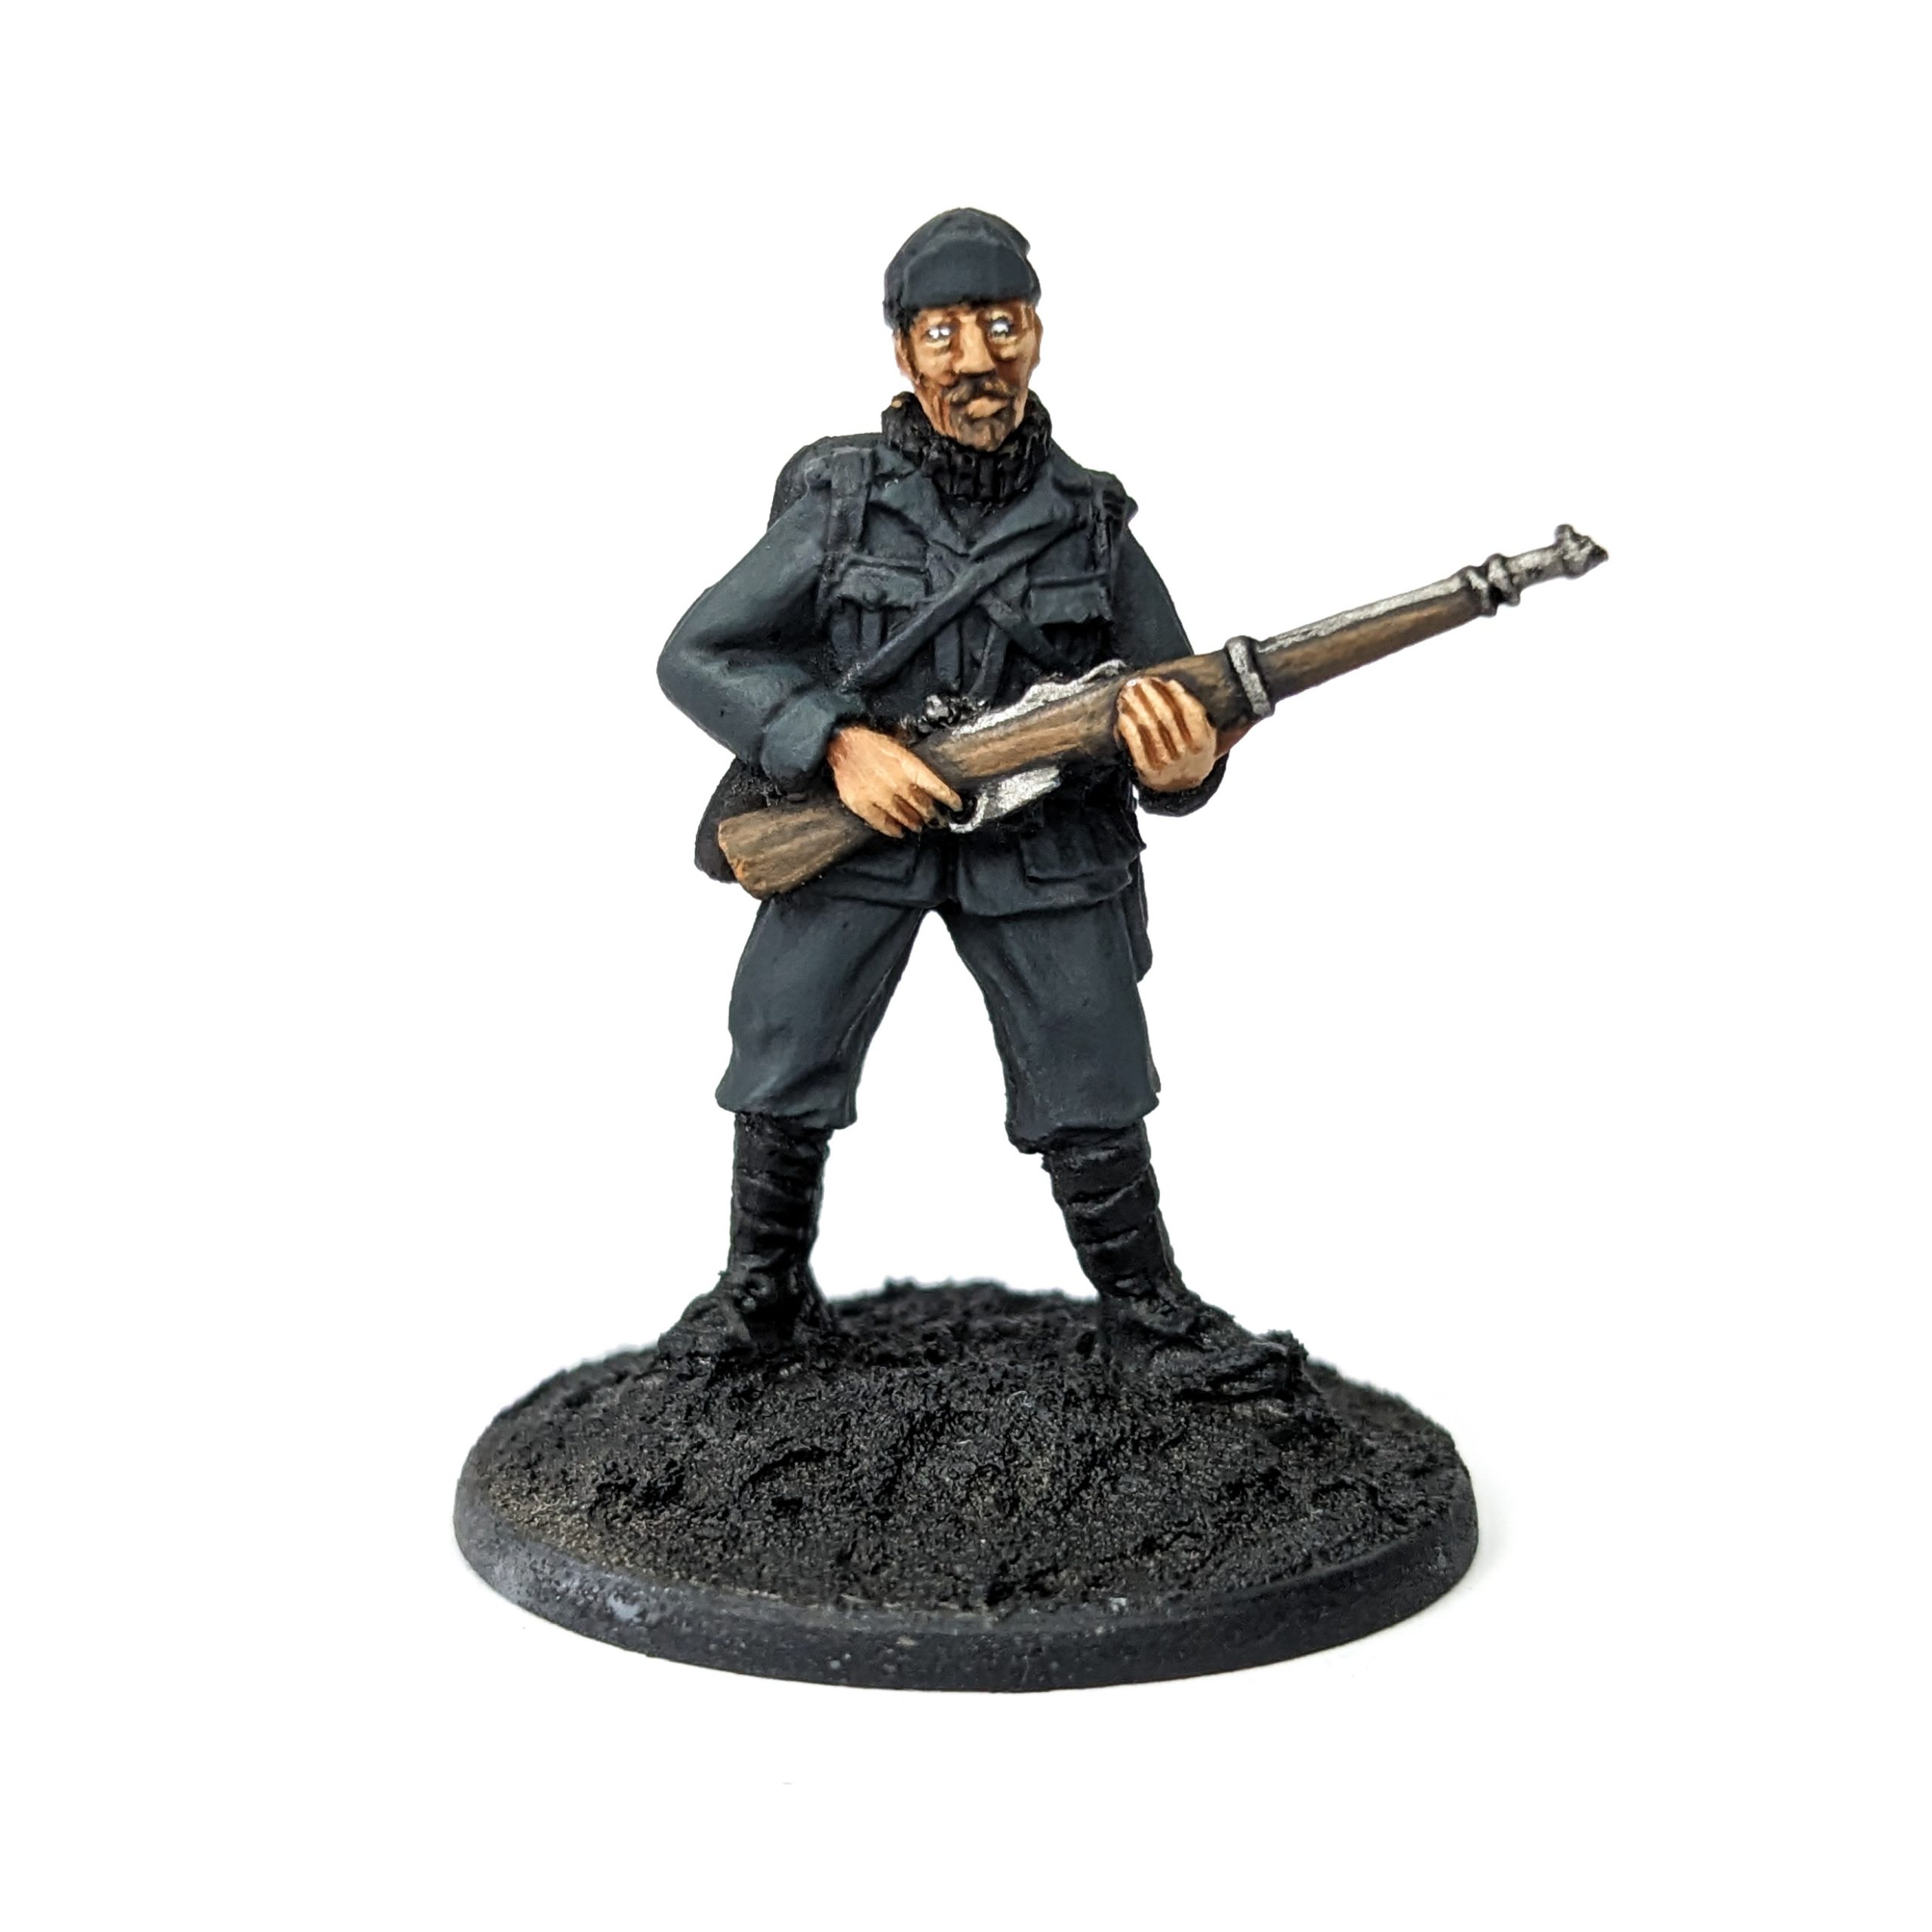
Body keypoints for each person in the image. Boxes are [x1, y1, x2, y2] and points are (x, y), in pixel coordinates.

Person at [657, 209, 1298, 1400]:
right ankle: (763, 1287)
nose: (975, 361)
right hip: (859, 836)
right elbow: (698, 654)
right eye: (944, 333)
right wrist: (834, 742)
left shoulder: (1090, 523)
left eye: (1000, 328)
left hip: (1044, 843)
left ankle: (1147, 1310)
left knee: (1093, 1063)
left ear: (1037, 336)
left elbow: (1180, 707)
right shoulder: (843, 503)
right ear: (905, 351)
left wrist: (1183, 763)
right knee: (786, 1041)